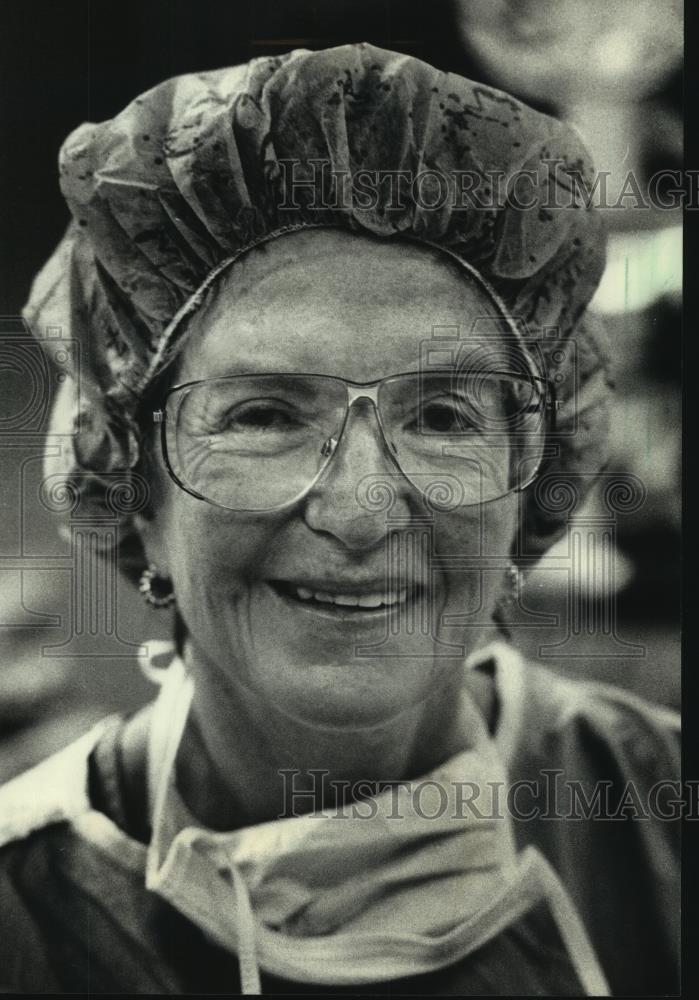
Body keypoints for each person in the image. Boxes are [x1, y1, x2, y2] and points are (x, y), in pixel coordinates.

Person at [0, 43, 679, 995]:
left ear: (536, 477)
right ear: (131, 483)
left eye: (442, 415)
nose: (360, 509)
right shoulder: (26, 916)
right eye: (265, 415)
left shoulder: (659, 828)